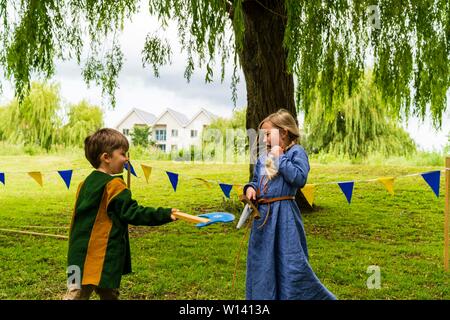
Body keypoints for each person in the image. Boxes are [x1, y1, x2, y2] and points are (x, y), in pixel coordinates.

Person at [63, 128, 177, 300]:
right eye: (123, 154)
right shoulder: (114, 186)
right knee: (105, 294)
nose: (127, 159)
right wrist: (165, 214)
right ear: (106, 157)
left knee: (75, 293)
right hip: (102, 258)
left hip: (76, 255)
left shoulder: (84, 184)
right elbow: (134, 213)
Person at [243, 109, 336, 300]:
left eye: (268, 134)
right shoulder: (265, 157)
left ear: (284, 132)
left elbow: (298, 178)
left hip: (285, 219)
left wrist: (280, 157)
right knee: (263, 262)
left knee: (290, 263)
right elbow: (258, 181)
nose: (264, 140)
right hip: (263, 220)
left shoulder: (296, 152)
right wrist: (250, 189)